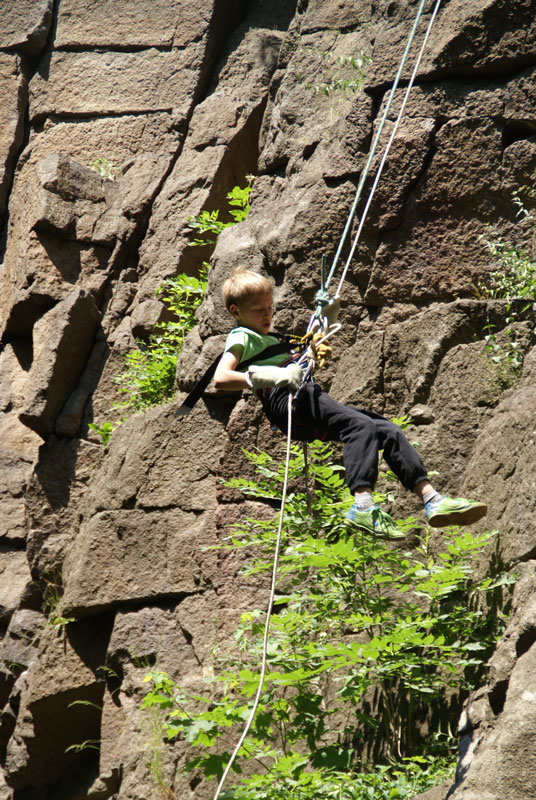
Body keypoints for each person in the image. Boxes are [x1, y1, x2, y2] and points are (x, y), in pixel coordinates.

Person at [213, 267, 487, 538]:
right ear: (236, 311)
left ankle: (432, 498)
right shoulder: (242, 336)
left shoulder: (271, 339)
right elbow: (221, 378)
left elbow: (294, 365)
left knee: (387, 430)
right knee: (359, 426)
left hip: (302, 398)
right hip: (288, 401)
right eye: (259, 309)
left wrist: (310, 351)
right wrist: (277, 374)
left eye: (270, 308)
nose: (267, 315)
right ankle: (363, 505)